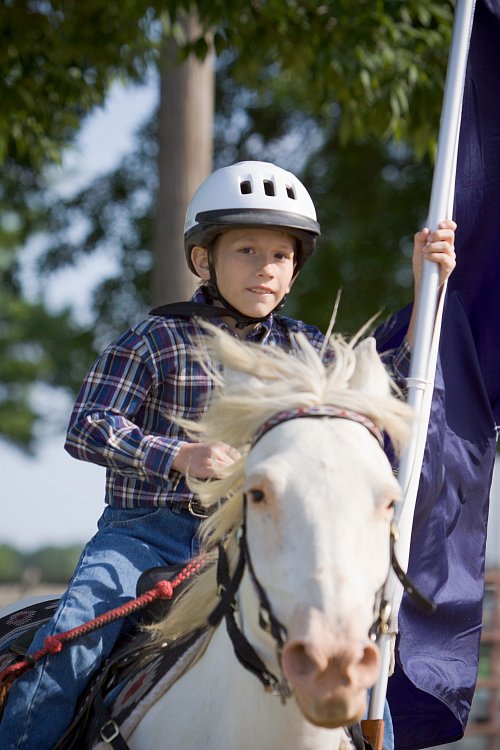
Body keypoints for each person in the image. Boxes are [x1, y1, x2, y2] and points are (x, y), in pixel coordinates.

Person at [0, 161, 456, 749]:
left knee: (365, 667)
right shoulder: (155, 340)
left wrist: (426, 286)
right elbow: (88, 426)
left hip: (255, 540)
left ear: (293, 272)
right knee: (72, 644)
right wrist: (176, 453)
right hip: (145, 538)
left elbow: (385, 386)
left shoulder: (305, 350)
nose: (265, 268)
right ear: (203, 260)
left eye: (281, 255)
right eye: (245, 249)